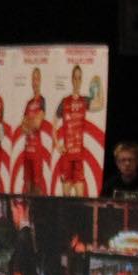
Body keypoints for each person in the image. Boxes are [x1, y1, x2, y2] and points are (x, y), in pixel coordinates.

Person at [54, 65, 92, 197]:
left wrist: (99, 84)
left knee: (80, 197)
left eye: (79, 78)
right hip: (66, 156)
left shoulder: (84, 101)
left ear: (81, 80)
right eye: (75, 78)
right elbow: (54, 123)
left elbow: (100, 103)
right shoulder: (65, 102)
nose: (77, 81)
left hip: (79, 156)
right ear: (71, 79)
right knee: (66, 197)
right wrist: (57, 144)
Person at [18, 68, 50, 195]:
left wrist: (29, 122)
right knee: (27, 186)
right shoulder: (29, 103)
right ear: (31, 81)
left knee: (37, 187)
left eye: (37, 78)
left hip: (36, 150)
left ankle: (39, 207)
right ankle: (29, 208)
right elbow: (22, 127)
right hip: (27, 150)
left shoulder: (42, 100)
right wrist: (30, 123)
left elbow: (37, 124)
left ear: (40, 80)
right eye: (33, 79)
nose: (35, 82)